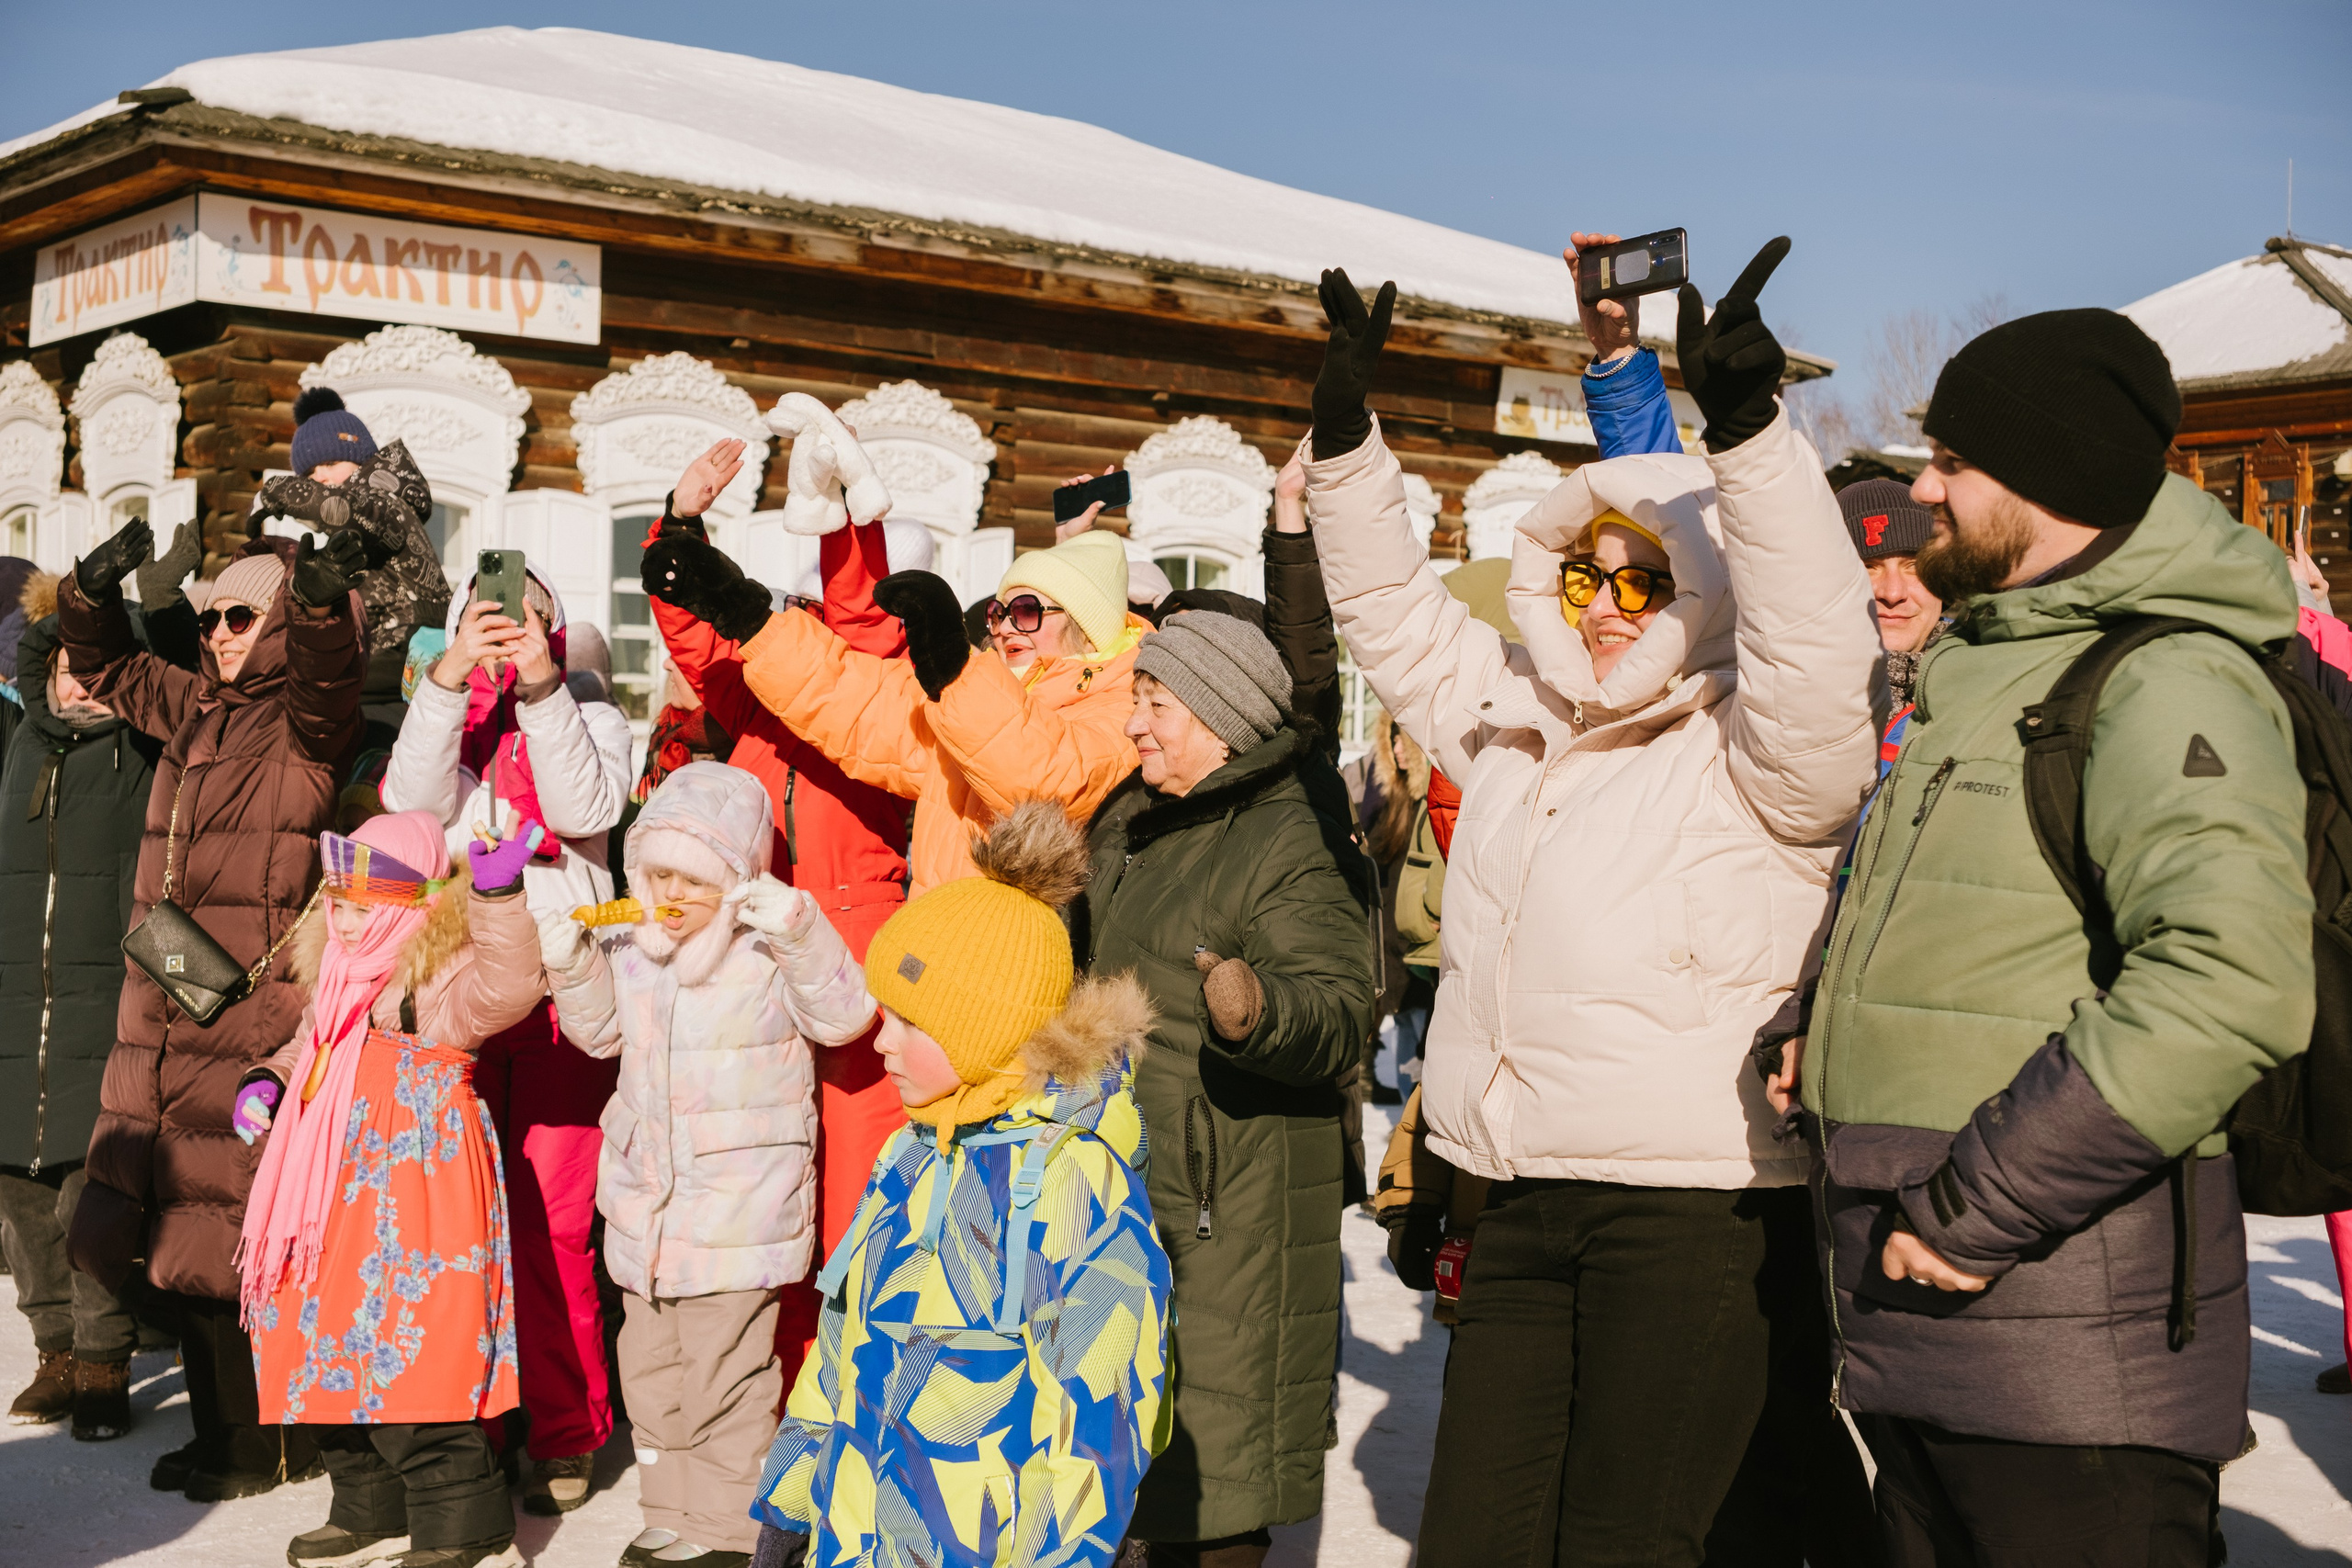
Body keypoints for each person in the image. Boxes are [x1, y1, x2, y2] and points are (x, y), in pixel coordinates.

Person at [1300, 246, 1883, 1568]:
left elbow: (1818, 631)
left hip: (1691, 1217)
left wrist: (1747, 435)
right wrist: (1346, 442)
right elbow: (1391, 611)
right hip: (1512, 1196)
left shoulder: (1767, 745)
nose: (1608, 607)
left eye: (1643, 578)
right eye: (1583, 576)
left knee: (1633, 1541)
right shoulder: (1512, 717)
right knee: (1474, 1539)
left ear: (1698, 587)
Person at [1799, 310, 2315, 1564]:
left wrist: (1980, 1202)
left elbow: (2230, 975)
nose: (1922, 491)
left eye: (1952, 462)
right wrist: (1801, 1028)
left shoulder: (2164, 678)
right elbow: (1940, 916)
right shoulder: (1990, 673)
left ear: (2050, 476)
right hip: (1928, 1326)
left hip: (2066, 1356)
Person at [749, 800, 1172, 1568]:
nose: (882, 1041)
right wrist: (789, 1503)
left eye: (910, 1022)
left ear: (984, 1031)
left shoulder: (1076, 1182)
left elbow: (1097, 1421)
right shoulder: (911, 1153)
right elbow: (841, 1345)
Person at [59, 519, 369, 1499]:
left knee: (238, 1234)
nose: (225, 632)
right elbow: (105, 669)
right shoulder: (196, 706)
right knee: (177, 1228)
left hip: (248, 1010)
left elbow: (328, 678)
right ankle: (215, 1430)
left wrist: (320, 610)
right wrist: (89, 596)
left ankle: (269, 1441)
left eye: (246, 615)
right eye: (213, 617)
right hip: (167, 1002)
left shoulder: (304, 722)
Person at [1065, 611, 1373, 1567]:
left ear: (1220, 713)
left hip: (1226, 1204)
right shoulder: (1138, 815)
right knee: (1135, 1473)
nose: (1135, 726)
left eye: (1154, 704)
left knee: (1216, 1490)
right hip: (1131, 1187)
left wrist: (1257, 1011)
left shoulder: (1285, 834)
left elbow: (1338, 1008)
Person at [539, 762, 875, 1568]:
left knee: (725, 1377)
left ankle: (727, 1529)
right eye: (655, 875)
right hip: (645, 1209)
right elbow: (598, 1036)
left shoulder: (766, 944)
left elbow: (845, 1013)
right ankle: (671, 1511)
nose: (671, 896)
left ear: (735, 879)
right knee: (650, 1372)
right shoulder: (632, 942)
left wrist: (798, 927)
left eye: (693, 879)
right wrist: (571, 960)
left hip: (738, 1212)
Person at [650, 442, 929, 1390]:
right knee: (776, 1184)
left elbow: (869, 623)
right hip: (761, 946)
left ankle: (860, 1382)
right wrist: (678, 529)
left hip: (863, 941)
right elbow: (695, 638)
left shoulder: (876, 697)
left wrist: (847, 516)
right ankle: (785, 1380)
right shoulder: (753, 702)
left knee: (857, 1186)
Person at [380, 559, 633, 1515]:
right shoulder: (456, 715)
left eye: (528, 619)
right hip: (470, 997)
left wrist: (539, 688)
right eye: (490, 617)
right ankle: (476, 1423)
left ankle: (566, 1432)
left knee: (554, 1229)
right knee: (464, 1223)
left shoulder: (587, 712)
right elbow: (409, 810)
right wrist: (448, 685)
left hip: (566, 1003)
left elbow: (582, 813)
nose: (508, 629)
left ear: (554, 628)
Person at [232, 812, 546, 1568]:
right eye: (337, 900)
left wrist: (498, 900)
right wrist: (268, 1081)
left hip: (419, 1189)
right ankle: (369, 1502)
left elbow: (509, 990)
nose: (342, 915)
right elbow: (307, 1045)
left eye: (361, 903)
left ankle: (466, 1524)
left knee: (415, 1340)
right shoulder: (340, 976)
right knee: (319, 1334)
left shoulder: (437, 977)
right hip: (328, 1197)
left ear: (411, 906)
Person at [641, 433, 1148, 897]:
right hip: (898, 942)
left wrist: (851, 520)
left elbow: (1046, 772)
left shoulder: (1129, 701)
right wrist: (737, 605)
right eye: (998, 612)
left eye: (1026, 612)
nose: (1004, 627)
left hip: (921, 931)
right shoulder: (967, 693)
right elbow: (853, 697)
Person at [0, 569, 168, 1441]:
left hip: (101, 1007)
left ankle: (104, 1356)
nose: (76, 681)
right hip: (12, 1009)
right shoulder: (17, 740)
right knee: (20, 1195)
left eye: (90, 665)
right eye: (64, 666)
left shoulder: (139, 753)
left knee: (88, 1195)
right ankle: (54, 1349)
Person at [255, 388, 452, 697]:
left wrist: (279, 491)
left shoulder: (385, 502)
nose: (319, 476)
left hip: (410, 648)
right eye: (308, 472)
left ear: (362, 461)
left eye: (331, 463)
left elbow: (344, 509)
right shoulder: (350, 527)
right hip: (386, 652)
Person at [1837, 476, 1946, 702]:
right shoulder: (1775, 698)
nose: (1893, 594)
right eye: (1867, 568)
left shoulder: (1999, 690)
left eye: (1915, 567)